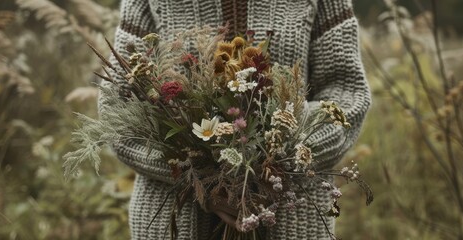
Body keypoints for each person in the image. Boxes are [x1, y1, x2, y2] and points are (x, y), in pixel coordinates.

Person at [98, 0, 371, 239]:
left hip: (292, 218)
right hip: (174, 221)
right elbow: (118, 105)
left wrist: (278, 161)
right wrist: (199, 177)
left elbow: (346, 93)